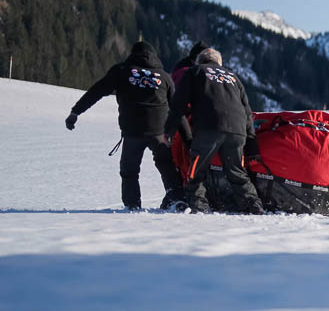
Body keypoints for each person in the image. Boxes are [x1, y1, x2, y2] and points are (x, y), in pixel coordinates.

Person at [64, 41, 186, 210]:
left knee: (130, 170)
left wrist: (75, 112)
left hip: (133, 131)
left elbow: (96, 91)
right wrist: (188, 138)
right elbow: (177, 110)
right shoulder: (164, 77)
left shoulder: (121, 71)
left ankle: (132, 205)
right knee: (166, 164)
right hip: (160, 132)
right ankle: (176, 198)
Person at [164, 47, 264, 214]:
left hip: (209, 128)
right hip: (237, 131)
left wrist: (169, 131)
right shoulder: (233, 77)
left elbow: (178, 104)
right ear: (219, 63)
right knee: (237, 173)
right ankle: (253, 205)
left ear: (199, 61)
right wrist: (251, 141)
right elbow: (247, 111)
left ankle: (199, 207)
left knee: (196, 170)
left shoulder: (194, 72)